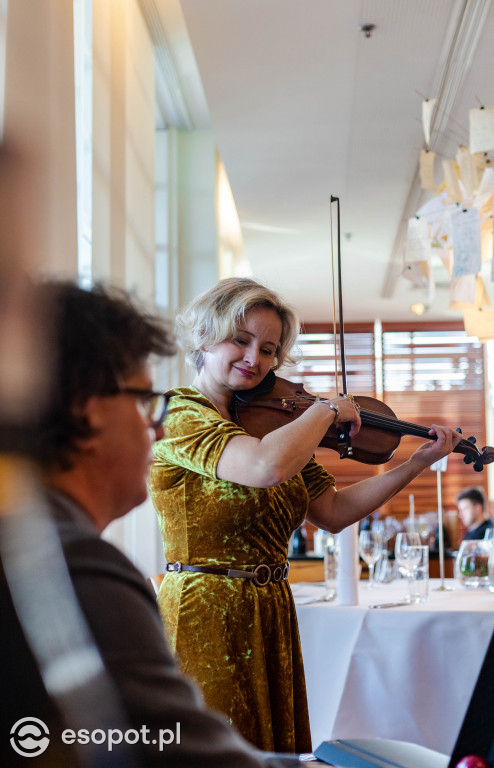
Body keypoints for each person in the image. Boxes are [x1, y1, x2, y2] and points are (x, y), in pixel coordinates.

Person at [149, 276, 462, 754]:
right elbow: (263, 465)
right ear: (203, 337)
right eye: (241, 339)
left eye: (269, 349)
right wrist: (323, 410)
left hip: (271, 606)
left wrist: (418, 461)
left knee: (271, 752)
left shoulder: (274, 425)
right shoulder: (179, 414)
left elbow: (334, 512)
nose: (256, 359)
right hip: (204, 608)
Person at [0, 280, 298, 768]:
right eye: (145, 403)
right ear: (86, 410)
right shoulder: (77, 566)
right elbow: (181, 756)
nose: (157, 428)